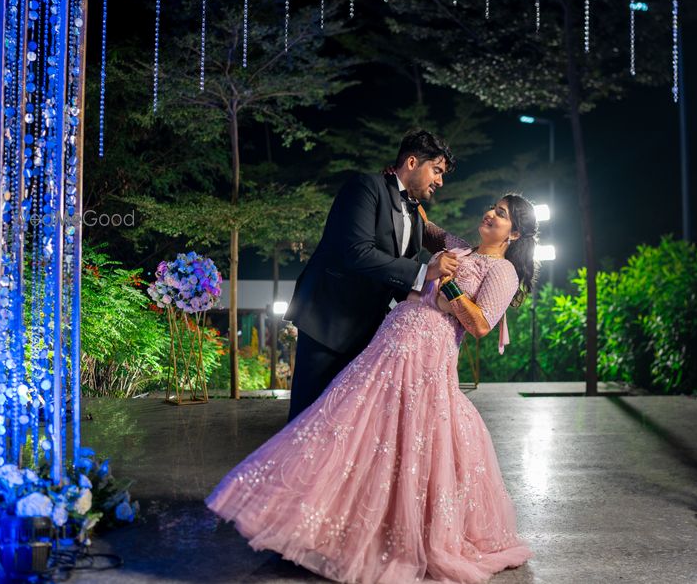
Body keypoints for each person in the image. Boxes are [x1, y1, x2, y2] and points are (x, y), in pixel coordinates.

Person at [207, 195, 538, 584]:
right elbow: (425, 226)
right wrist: (401, 190)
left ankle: (394, 535)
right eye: (493, 207)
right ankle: (322, 521)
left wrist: (449, 289)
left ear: (515, 234)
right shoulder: (459, 247)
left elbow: (481, 324)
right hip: (391, 340)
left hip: (427, 357)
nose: (491, 213)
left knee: (408, 437)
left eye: (502, 214)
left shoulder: (502, 271)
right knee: (355, 426)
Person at [284, 130, 460, 421]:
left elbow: (398, 281)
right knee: (305, 419)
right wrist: (424, 271)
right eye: (437, 170)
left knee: (345, 423)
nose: (440, 181)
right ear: (412, 162)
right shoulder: (365, 187)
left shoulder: (417, 217)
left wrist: (441, 304)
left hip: (367, 335)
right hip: (326, 323)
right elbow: (356, 252)